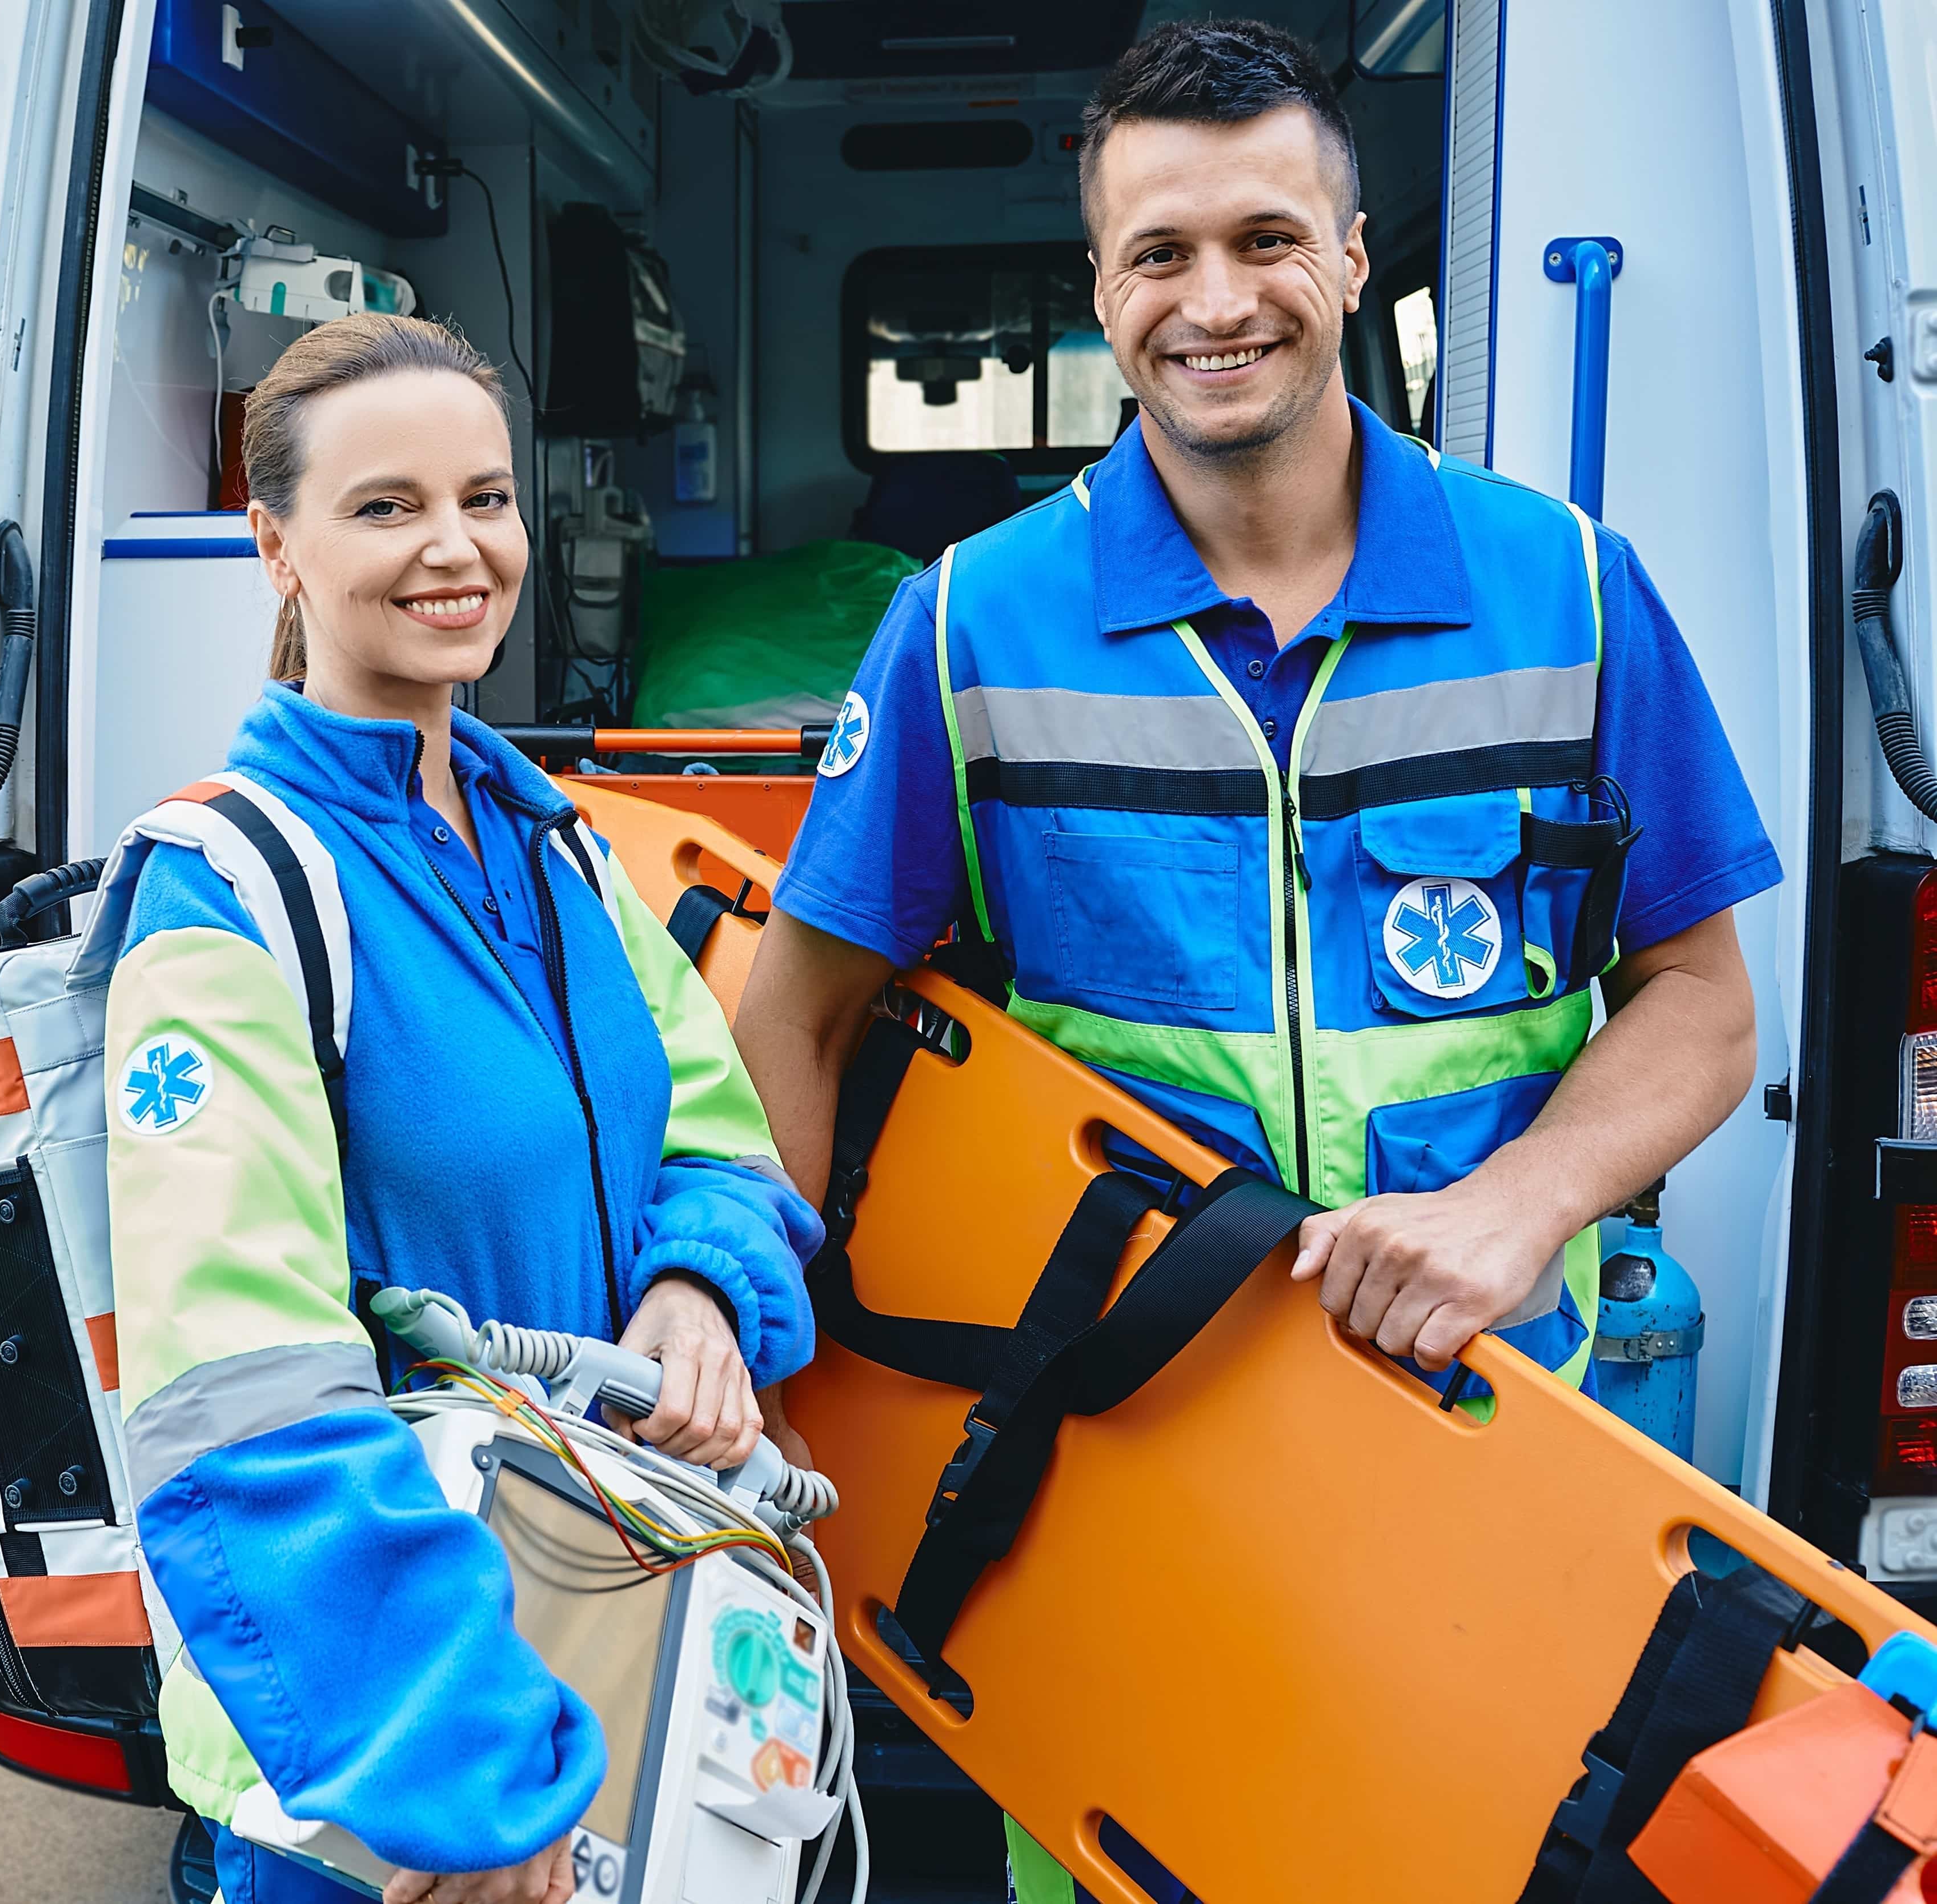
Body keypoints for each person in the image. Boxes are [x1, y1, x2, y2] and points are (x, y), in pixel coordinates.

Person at [733, 21, 1775, 1904]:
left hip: (1489, 1433)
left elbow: (1701, 1001)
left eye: (1267, 240)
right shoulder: (966, 624)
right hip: (1111, 1459)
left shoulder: (1577, 590)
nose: (1216, 300)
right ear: (1102, 292)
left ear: (1356, 259)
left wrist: (1521, 1203)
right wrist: (755, 1364)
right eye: (1160, 255)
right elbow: (793, 1016)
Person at [105, 312, 823, 1904]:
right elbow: (241, 1394)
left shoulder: (549, 840)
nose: (457, 550)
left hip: (588, 1621)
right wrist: (459, 1785)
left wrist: (701, 1288)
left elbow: (714, 1126)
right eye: (386, 508)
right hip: (386, 1757)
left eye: (485, 500)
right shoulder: (231, 893)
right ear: (274, 545)